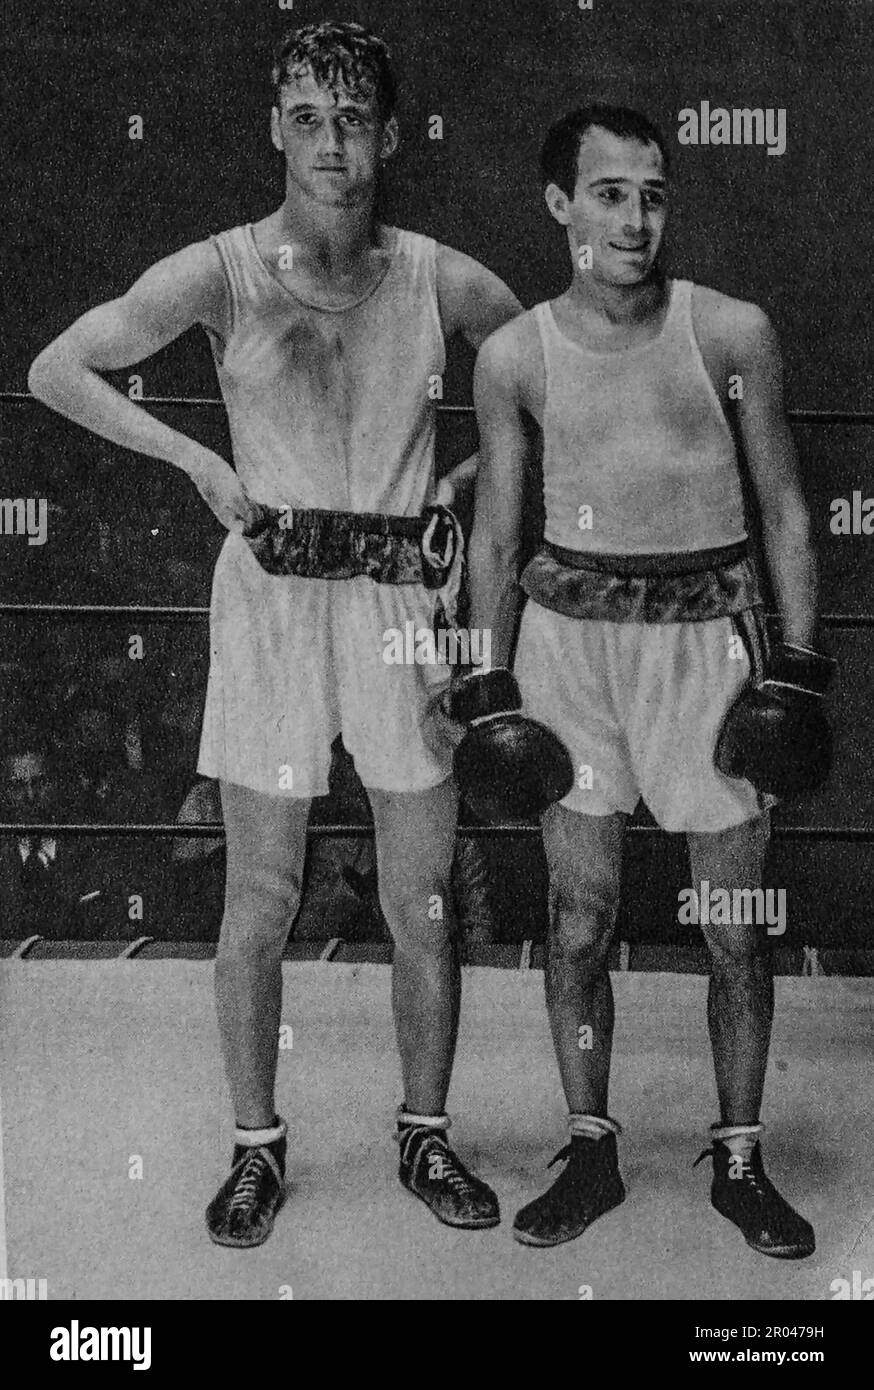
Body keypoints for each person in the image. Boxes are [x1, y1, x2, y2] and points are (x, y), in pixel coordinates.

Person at [28, 20, 523, 1247]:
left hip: (405, 597)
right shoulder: (224, 269)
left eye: (352, 119)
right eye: (306, 116)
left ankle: (425, 1131)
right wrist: (195, 457)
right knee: (259, 890)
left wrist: (463, 484)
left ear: (391, 134)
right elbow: (58, 367)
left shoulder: (440, 276)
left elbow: (544, 381)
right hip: (269, 588)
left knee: (421, 900)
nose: (330, 143)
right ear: (275, 128)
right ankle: (255, 1144)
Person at [468, 104, 827, 1256]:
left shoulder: (729, 331)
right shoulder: (515, 351)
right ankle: (589, 1142)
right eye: (610, 193)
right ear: (559, 204)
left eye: (653, 194)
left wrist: (802, 672)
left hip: (706, 642)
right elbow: (494, 532)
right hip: (567, 645)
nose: (634, 218)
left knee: (733, 924)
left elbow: (782, 505)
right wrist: (486, 678)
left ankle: (738, 1154)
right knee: (578, 918)